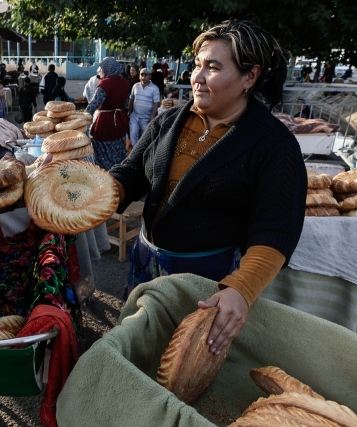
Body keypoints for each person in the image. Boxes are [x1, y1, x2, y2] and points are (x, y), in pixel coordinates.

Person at [110, 19, 306, 358]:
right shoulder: (169, 122)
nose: (196, 78)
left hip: (208, 284)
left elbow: (275, 231)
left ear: (250, 76)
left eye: (212, 67)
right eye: (197, 65)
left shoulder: (275, 146)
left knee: (183, 364)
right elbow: (131, 174)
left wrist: (240, 290)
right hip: (146, 267)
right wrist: (90, 198)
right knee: (138, 351)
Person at [85, 57, 130, 171]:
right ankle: (118, 176)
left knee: (102, 153)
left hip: (105, 124)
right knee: (119, 152)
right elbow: (126, 105)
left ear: (107, 69)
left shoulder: (104, 84)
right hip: (120, 121)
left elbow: (93, 105)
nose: (100, 71)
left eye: (102, 69)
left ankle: (106, 179)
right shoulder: (125, 83)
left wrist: (83, 117)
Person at [127, 68, 160, 147]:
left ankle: (141, 155)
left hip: (146, 118)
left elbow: (156, 103)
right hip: (135, 116)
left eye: (145, 75)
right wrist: (129, 111)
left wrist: (153, 116)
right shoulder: (135, 86)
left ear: (150, 76)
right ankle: (133, 155)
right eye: (142, 75)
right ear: (139, 76)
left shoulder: (154, 88)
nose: (143, 77)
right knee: (133, 136)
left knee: (144, 138)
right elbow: (131, 99)